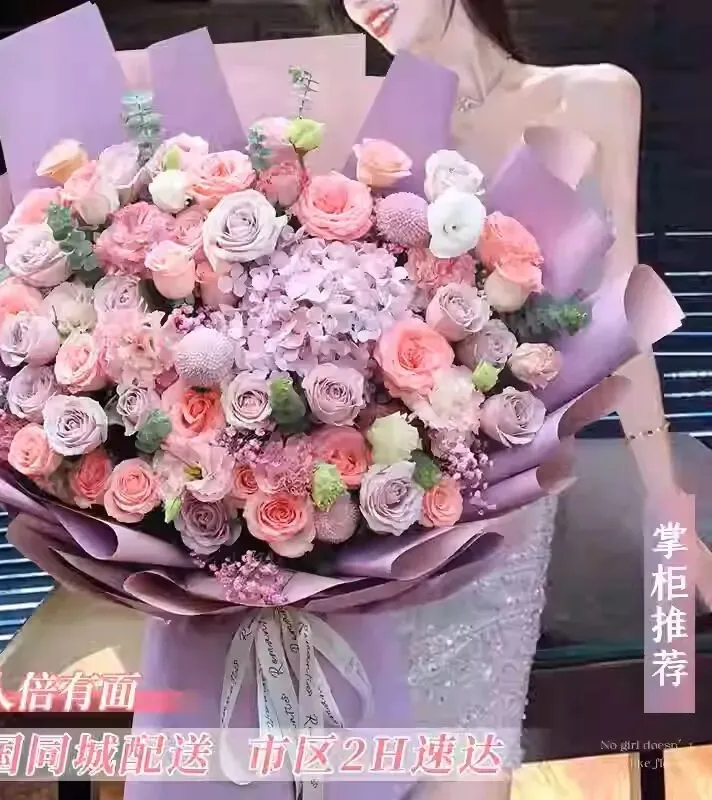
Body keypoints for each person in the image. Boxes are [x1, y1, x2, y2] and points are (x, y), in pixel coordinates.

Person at [308, 1, 681, 797]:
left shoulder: (594, 94)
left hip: (504, 499)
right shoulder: (369, 127)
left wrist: (671, 515)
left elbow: (624, 320)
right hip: (382, 503)